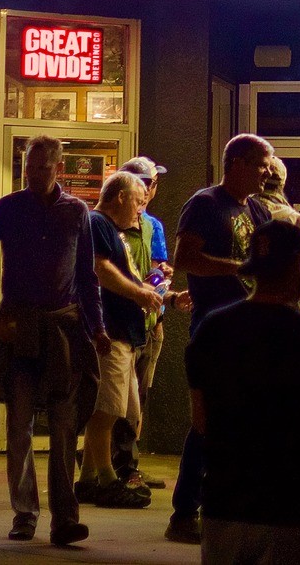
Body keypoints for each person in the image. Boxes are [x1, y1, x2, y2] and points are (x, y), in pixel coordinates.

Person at [186, 219, 300, 565]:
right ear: (297, 266)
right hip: (293, 512)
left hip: (224, 509)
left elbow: (201, 421)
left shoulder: (211, 330)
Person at [0, 134, 110, 546]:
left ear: (59, 168)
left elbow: (87, 276)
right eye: (30, 166)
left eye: (43, 167)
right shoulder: (8, 207)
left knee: (64, 425)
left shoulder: (77, 212)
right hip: (20, 327)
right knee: (19, 425)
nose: (34, 173)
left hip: (63, 328)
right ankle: (24, 513)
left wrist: (97, 328)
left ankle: (65, 518)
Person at [167, 132, 276, 544]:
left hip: (252, 331)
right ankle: (184, 512)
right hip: (214, 330)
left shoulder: (258, 210)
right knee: (208, 421)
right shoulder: (205, 203)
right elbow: (185, 258)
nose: (267, 173)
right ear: (238, 163)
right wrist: (237, 268)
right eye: (261, 165)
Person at [81, 171, 165, 508]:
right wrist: (139, 295)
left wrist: (165, 297)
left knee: (117, 411)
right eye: (138, 201)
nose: (140, 209)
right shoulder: (97, 223)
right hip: (111, 332)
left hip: (124, 333)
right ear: (120, 197)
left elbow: (129, 277)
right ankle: (107, 480)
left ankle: (88, 479)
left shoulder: (111, 229)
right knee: (106, 410)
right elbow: (100, 269)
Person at [120, 156, 174, 489]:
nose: (153, 190)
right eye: (152, 183)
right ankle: (115, 462)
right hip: (124, 323)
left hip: (150, 320)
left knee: (138, 395)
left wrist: (162, 280)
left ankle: (129, 462)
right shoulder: (111, 223)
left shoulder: (152, 226)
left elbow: (158, 269)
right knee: (122, 397)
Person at [254, 160, 300, 313]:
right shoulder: (293, 220)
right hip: (286, 314)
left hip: (243, 315)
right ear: (282, 184)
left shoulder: (240, 214)